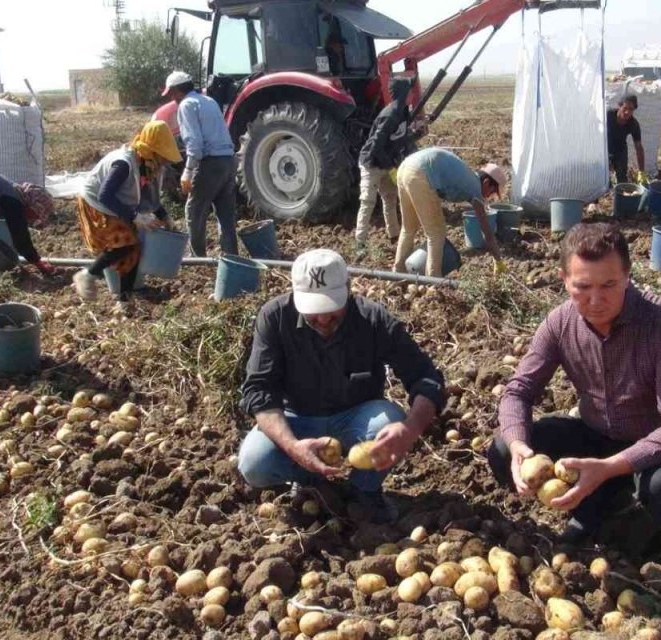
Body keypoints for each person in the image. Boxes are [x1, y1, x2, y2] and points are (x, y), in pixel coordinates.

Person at [490, 222, 661, 578]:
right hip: (597, 436)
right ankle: (600, 504)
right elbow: (518, 391)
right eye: (582, 287)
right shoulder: (560, 323)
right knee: (501, 449)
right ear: (564, 279)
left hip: (660, 447)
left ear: (627, 276)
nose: (596, 300)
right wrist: (519, 447)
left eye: (608, 285)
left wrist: (609, 467)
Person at [237, 249, 446, 523]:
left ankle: (364, 490)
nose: (323, 320)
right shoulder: (275, 318)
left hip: (355, 421)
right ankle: (310, 478)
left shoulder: (373, 319)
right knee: (254, 463)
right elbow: (258, 390)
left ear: (348, 289)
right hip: (296, 420)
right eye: (313, 311)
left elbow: (426, 377)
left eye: (331, 307)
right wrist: (292, 447)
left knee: (389, 421)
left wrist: (410, 429)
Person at [71, 120, 182, 310]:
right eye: (162, 157)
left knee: (134, 248)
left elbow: (151, 198)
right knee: (125, 242)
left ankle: (124, 301)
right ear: (151, 151)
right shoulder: (124, 163)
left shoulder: (149, 167)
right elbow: (104, 195)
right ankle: (88, 275)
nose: (164, 162)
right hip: (96, 202)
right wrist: (135, 216)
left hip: (118, 204)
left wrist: (165, 218)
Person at [392, 148, 506, 276]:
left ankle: (397, 273)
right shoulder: (475, 188)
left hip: (405, 168)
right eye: (492, 192)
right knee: (436, 233)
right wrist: (498, 260)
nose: (489, 197)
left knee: (408, 228)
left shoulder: (467, 176)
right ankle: (432, 279)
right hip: (420, 173)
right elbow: (487, 233)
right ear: (486, 183)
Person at [162, 71, 238, 258]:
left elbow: (194, 143)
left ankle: (198, 258)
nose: (172, 98)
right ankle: (231, 256)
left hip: (210, 163)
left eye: (171, 93)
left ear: (178, 91)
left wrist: (188, 171)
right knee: (225, 213)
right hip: (229, 160)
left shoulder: (186, 106)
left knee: (194, 210)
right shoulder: (209, 101)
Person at [355, 77, 422, 254]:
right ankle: (359, 244)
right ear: (402, 94)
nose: (412, 93)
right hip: (371, 163)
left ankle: (394, 236)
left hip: (386, 163)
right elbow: (376, 146)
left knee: (390, 199)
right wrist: (390, 167)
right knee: (368, 202)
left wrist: (415, 135)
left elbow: (398, 139)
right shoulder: (390, 115)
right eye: (409, 91)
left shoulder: (403, 113)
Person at [607, 96, 647, 186]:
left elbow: (639, 148)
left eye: (631, 109)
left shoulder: (633, 124)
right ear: (619, 106)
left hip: (620, 150)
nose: (627, 112)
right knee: (603, 179)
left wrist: (641, 172)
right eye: (625, 108)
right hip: (604, 149)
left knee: (622, 180)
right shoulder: (608, 116)